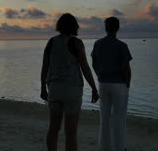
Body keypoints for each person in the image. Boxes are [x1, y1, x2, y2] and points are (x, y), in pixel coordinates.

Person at [40, 13, 99, 151]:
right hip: (72, 89)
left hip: (54, 88)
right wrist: (94, 89)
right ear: (74, 26)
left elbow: (45, 67)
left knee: (53, 129)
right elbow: (85, 68)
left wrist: (43, 87)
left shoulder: (51, 42)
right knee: (71, 133)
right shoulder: (76, 42)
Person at [91, 17, 132, 151]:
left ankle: (104, 147)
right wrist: (128, 82)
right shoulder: (121, 45)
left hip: (103, 83)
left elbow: (94, 63)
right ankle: (120, 147)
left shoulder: (98, 44)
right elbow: (126, 67)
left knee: (105, 116)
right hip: (119, 84)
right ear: (118, 28)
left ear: (106, 28)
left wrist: (100, 75)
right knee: (119, 117)